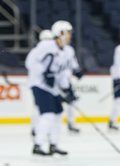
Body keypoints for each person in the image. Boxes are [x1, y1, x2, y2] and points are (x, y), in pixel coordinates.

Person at [26, 21, 75, 156]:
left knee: (58, 114)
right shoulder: (46, 46)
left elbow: (62, 72)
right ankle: (38, 145)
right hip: (39, 85)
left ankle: (54, 144)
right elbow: (30, 62)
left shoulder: (67, 51)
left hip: (53, 88)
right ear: (60, 33)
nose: (70, 35)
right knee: (47, 115)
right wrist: (44, 73)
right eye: (68, 32)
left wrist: (67, 89)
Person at [57, 21, 84, 133]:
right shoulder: (52, 50)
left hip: (66, 82)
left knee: (72, 102)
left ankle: (71, 123)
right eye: (68, 32)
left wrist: (77, 71)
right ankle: (38, 127)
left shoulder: (69, 49)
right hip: (54, 84)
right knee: (50, 109)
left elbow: (73, 63)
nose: (70, 35)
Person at [30, 29, 55, 137]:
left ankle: (36, 128)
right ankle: (42, 129)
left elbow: (29, 64)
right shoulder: (50, 49)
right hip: (43, 84)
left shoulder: (36, 50)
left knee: (38, 107)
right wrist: (44, 73)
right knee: (48, 110)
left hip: (36, 83)